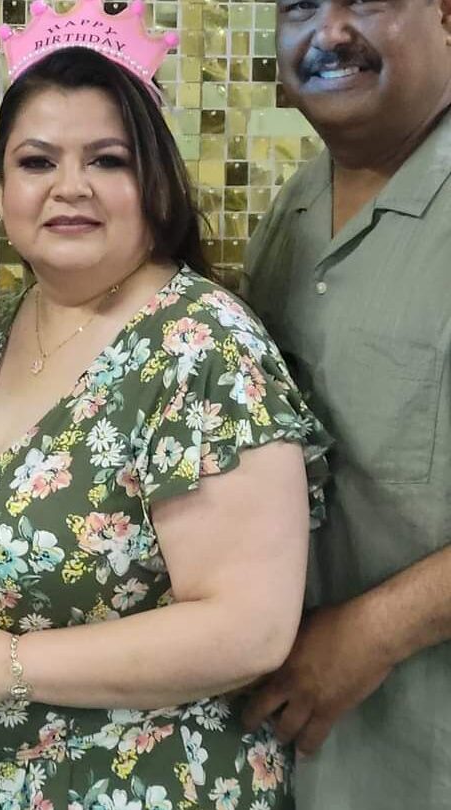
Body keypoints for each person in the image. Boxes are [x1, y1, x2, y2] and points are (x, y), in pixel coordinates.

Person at [0, 2, 332, 806]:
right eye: (37, 161)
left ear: (155, 183)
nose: (69, 187)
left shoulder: (200, 345)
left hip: (148, 784)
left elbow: (250, 629)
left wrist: (9, 665)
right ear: (2, 187)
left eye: (108, 160)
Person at [242, 0, 451, 806]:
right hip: (306, 756)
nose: (328, 33)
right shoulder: (294, 208)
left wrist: (377, 629)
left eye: (365, 1)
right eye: (300, 7)